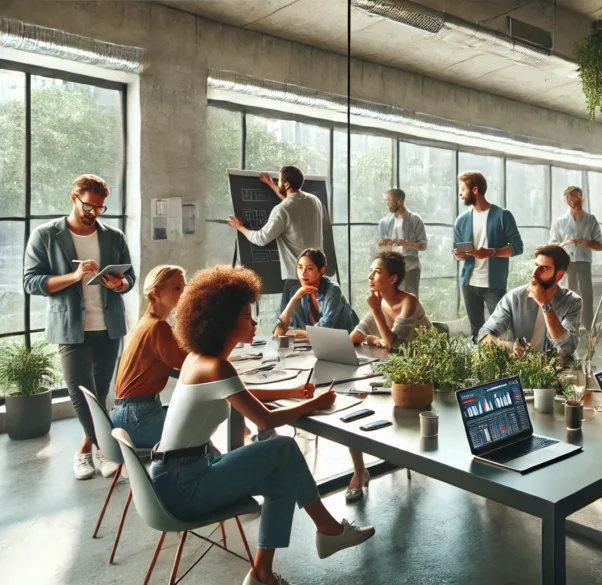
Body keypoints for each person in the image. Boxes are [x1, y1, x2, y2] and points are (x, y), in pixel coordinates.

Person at [152, 266, 374, 585]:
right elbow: (264, 419)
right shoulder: (217, 366)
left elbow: (239, 392)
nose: (255, 322)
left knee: (280, 483)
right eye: (246, 315)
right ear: (225, 322)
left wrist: (290, 391)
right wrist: (313, 403)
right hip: (184, 487)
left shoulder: (198, 359)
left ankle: (264, 574)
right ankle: (329, 530)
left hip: (175, 473)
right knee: (282, 446)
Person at [23, 174, 136, 480]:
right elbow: (31, 281)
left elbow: (130, 278)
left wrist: (119, 283)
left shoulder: (114, 236)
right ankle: (105, 449)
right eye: (89, 207)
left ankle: (85, 451)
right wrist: (73, 278)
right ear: (73, 199)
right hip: (71, 327)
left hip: (108, 325)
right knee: (78, 391)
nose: (94, 213)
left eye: (100, 208)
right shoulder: (46, 235)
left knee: (100, 393)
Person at [346, 252, 433, 502]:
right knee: (354, 403)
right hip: (393, 370)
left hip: (419, 376)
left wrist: (376, 315)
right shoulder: (379, 302)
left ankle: (403, 459)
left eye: (376, 272)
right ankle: (359, 470)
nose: (370, 276)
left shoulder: (409, 302)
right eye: (371, 271)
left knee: (368, 400)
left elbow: (393, 344)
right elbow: (356, 336)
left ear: (393, 278)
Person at [108, 266, 188, 449]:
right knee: (197, 432)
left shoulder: (147, 322)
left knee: (193, 418)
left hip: (128, 413)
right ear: (156, 293)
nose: (184, 293)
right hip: (137, 418)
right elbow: (188, 363)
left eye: (185, 287)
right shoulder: (158, 328)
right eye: (177, 288)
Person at [228, 166, 325, 313]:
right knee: (315, 325)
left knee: (289, 327)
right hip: (318, 277)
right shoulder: (314, 201)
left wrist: (240, 227)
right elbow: (293, 204)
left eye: (279, 181)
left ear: (286, 184)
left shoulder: (282, 210)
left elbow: (260, 238)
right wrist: (272, 185)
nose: (277, 182)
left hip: (297, 279)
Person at [452, 171, 524, 341]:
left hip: (494, 285)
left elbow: (517, 247)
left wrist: (491, 252)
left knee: (501, 332)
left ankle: (505, 365)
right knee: (477, 332)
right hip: (469, 284)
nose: (460, 194)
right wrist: (459, 255)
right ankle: (481, 366)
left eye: (463, 189)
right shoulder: (461, 220)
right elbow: (456, 252)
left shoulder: (502, 215)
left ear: (475, 190)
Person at [479, 245, 581, 357]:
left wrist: (545, 305)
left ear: (558, 275)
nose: (535, 273)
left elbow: (567, 348)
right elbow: (484, 336)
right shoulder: (514, 298)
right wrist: (510, 347)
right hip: (521, 369)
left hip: (557, 369)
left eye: (544, 268)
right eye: (536, 265)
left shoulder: (572, 302)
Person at [549, 185, 602, 329]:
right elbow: (552, 246)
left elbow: (600, 246)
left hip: (584, 263)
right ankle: (567, 328)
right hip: (567, 264)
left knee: (586, 297)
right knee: (567, 295)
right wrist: (565, 243)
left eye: (579, 196)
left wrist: (586, 242)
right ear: (567, 199)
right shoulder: (559, 221)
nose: (577, 199)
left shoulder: (590, 219)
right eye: (573, 197)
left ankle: (589, 330)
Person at [274, 248, 359, 339]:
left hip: (344, 343)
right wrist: (295, 298)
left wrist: (294, 333)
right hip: (310, 344)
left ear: (321, 271)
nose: (303, 273)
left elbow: (324, 330)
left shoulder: (333, 290)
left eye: (309, 268)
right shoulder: (293, 288)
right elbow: (278, 330)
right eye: (300, 267)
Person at [375, 188, 427, 296]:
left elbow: (423, 245)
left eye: (389, 201)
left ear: (399, 200)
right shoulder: (384, 222)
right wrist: (383, 243)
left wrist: (403, 243)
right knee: (392, 299)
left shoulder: (415, 220)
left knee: (411, 300)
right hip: (391, 268)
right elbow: (381, 247)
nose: (388, 204)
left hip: (411, 267)